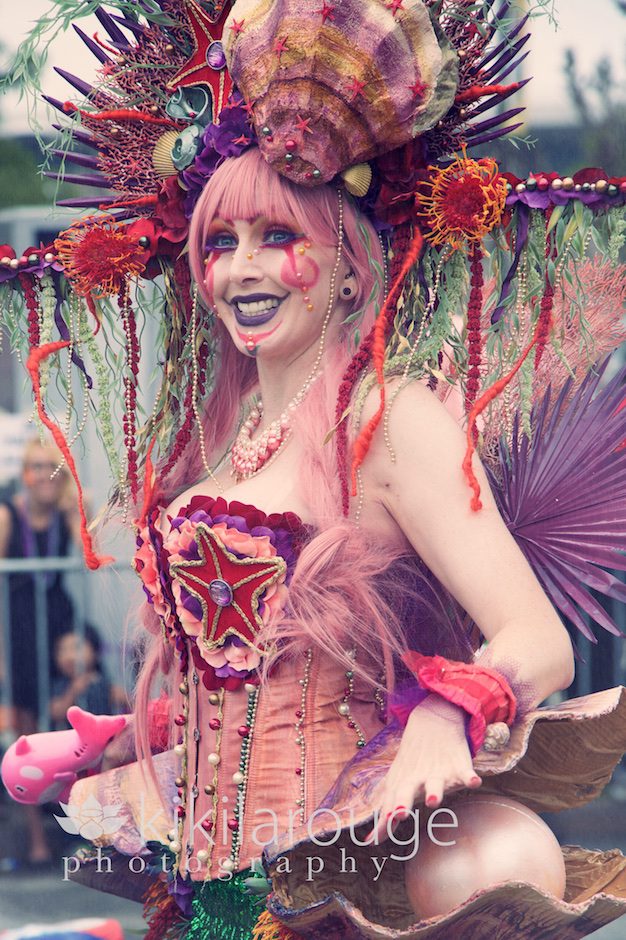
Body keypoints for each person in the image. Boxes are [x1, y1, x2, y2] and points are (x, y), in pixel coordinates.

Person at [3, 2, 626, 937]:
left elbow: (536, 641)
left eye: (274, 238)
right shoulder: (229, 424)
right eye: (220, 243)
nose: (239, 270)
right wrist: (121, 738)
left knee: (497, 861)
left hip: (344, 856)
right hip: (204, 861)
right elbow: (246, 667)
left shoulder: (389, 413)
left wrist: (445, 714)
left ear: (347, 264)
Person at [0, 437, 82, 866]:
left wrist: (71, 508)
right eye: (34, 467)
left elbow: (88, 553)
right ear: (23, 474)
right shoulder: (8, 516)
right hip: (18, 627)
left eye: (51, 467)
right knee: (24, 736)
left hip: (57, 620)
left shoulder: (64, 513)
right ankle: (33, 837)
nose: (42, 476)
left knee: (80, 700)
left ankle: (83, 824)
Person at [50, 625, 113, 729]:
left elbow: (123, 698)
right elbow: (56, 713)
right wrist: (73, 691)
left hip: (101, 737)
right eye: (62, 650)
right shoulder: (60, 685)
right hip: (71, 739)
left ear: (95, 651)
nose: (68, 656)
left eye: (76, 648)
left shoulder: (102, 682)